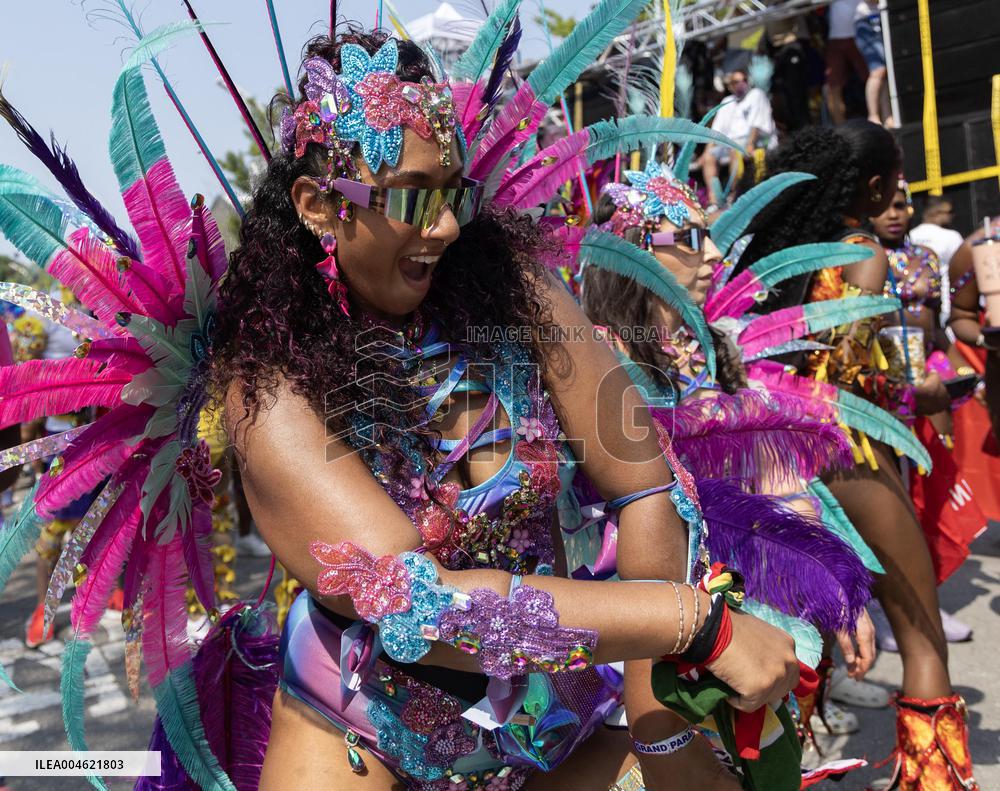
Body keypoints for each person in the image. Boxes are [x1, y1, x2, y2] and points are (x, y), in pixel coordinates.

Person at [207, 26, 803, 791]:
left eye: (452, 192)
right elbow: (417, 607)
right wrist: (694, 622)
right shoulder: (266, 385)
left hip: (559, 722)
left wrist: (656, 717)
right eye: (414, 197)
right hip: (367, 735)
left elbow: (647, 484)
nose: (447, 226)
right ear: (320, 205)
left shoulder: (514, 294)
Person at [734, 121, 977, 790]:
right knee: (920, 633)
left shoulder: (772, 251)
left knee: (798, 644)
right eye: (895, 182)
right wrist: (924, 393)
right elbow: (846, 370)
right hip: (846, 453)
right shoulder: (860, 250)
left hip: (769, 459)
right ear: (873, 187)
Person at [700, 68, 776, 206]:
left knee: (735, 150)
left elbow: (756, 125)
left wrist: (750, 144)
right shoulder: (727, 101)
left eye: (744, 80)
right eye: (736, 82)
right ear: (730, 86)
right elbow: (716, 132)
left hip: (757, 143)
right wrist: (706, 152)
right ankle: (714, 200)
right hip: (732, 143)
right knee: (709, 157)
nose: (741, 84)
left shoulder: (756, 95)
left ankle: (735, 195)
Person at [910, 196, 965, 323]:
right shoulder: (951, 237)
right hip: (947, 306)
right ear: (936, 213)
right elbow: (964, 271)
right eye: (950, 212)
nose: (952, 216)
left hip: (914, 308)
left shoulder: (910, 236)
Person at [824, 0, 869, 124]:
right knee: (833, 86)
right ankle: (840, 128)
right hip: (835, 38)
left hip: (860, 32)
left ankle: (879, 119)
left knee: (875, 78)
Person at [854, 0, 892, 126]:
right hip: (867, 22)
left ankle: (887, 116)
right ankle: (873, 116)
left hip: (881, 17)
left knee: (885, 72)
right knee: (878, 70)